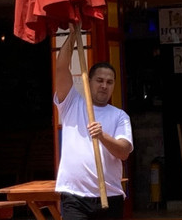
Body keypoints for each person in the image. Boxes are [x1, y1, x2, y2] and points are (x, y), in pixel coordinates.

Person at [54, 27, 133, 220]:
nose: (104, 86)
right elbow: (61, 66)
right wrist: (73, 34)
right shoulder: (71, 103)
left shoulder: (119, 116)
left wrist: (102, 136)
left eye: (109, 82)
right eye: (99, 80)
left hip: (109, 195)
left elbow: (123, 152)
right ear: (88, 81)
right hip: (74, 196)